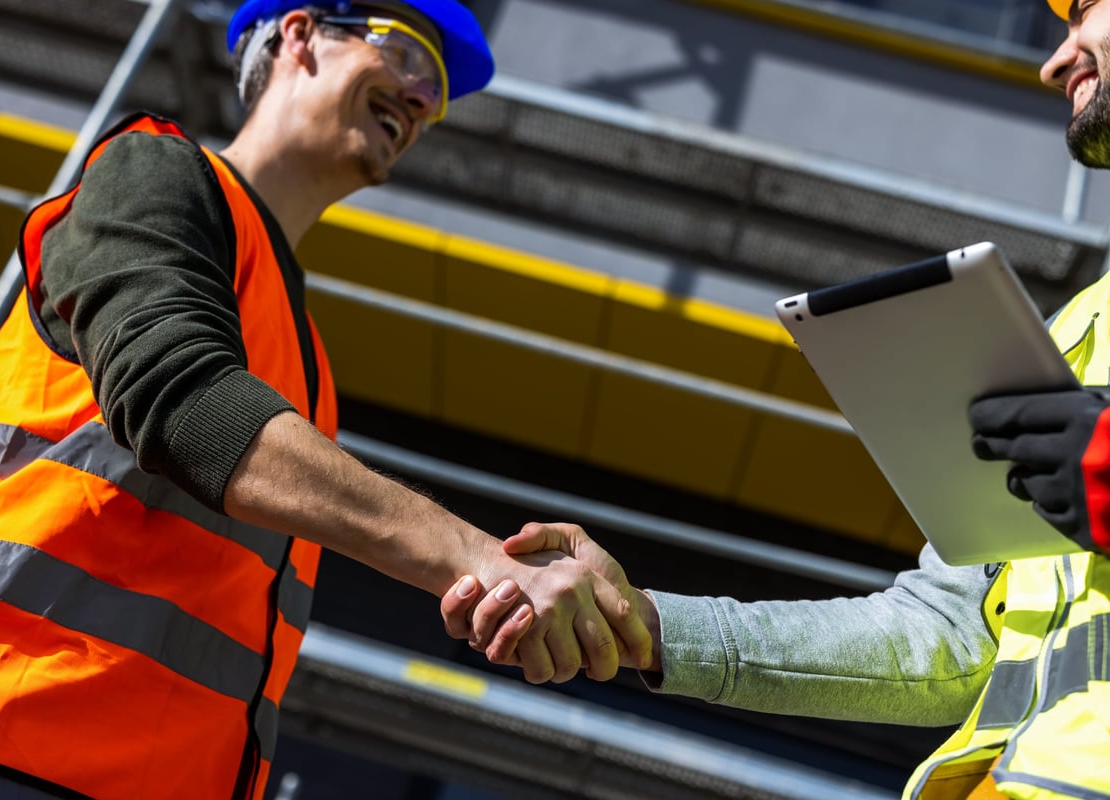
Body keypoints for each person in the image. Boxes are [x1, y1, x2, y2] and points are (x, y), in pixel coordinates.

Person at [0, 2, 652, 798]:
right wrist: (478, 557)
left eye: (433, 86)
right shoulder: (153, 172)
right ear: (299, 33)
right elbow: (181, 399)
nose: (419, 95)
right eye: (402, 51)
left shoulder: (309, 365)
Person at [442, 1, 1110, 797]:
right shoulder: (1072, 330)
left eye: (1089, 9)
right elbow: (948, 636)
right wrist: (649, 625)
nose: (1053, 60)